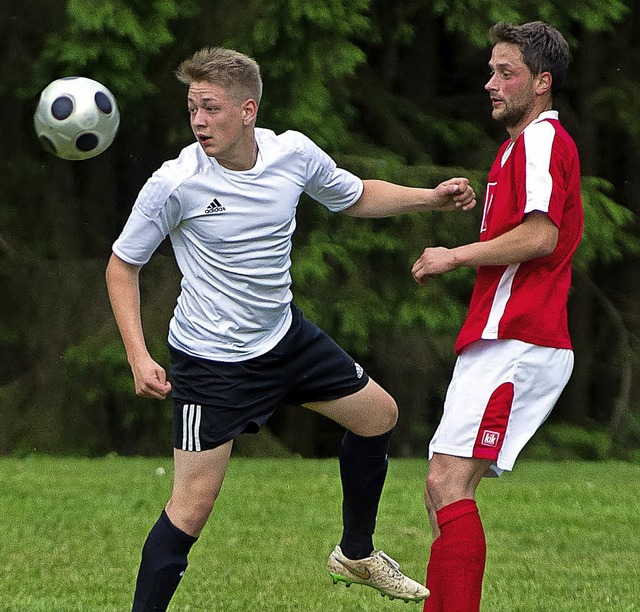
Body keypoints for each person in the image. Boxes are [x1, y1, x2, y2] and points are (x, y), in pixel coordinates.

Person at [106, 46, 476, 611]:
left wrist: (430, 198)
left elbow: (353, 196)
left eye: (211, 108)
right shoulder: (175, 183)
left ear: (248, 109)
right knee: (190, 510)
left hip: (286, 339)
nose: (199, 122)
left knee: (379, 416)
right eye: (192, 109)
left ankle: (356, 554)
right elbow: (121, 266)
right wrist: (138, 354)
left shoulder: (293, 154)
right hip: (212, 364)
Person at [411, 21, 583, 611]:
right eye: (490, 70)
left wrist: (454, 255)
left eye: (505, 72)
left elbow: (540, 235)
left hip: (521, 337)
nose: (490, 83)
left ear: (542, 83)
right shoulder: (517, 147)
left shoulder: (539, 142)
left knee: (447, 484)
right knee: (443, 488)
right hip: (501, 338)